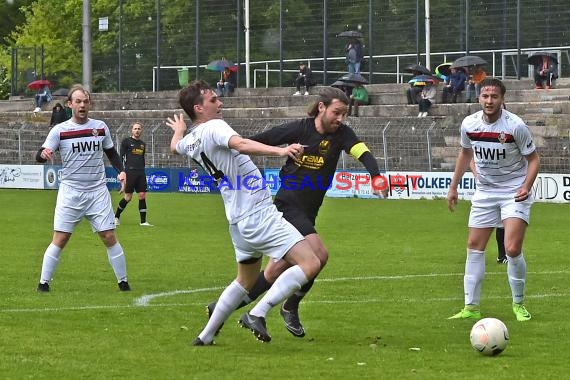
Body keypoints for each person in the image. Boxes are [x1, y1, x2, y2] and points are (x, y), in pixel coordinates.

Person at [207, 87, 388, 338]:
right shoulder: (300, 129)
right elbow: (264, 138)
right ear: (322, 107)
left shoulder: (342, 134)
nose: (340, 119)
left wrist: (376, 176)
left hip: (309, 211)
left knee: (273, 272)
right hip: (288, 204)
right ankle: (286, 307)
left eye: (344, 114)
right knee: (318, 255)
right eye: (336, 112)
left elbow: (362, 151)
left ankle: (220, 310)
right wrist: (227, 151)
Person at [166, 80, 321, 345]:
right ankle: (257, 312)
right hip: (258, 213)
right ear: (199, 108)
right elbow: (240, 144)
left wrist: (179, 130)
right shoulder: (214, 126)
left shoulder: (191, 140)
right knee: (311, 263)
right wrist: (280, 150)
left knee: (243, 282)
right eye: (213, 100)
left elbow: (174, 147)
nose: (220, 102)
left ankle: (205, 335)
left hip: (237, 221)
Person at [447, 78, 540, 322]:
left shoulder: (515, 126)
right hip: (485, 191)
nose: (489, 101)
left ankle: (518, 304)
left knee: (511, 248)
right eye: (485, 96)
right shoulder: (469, 124)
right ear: (479, 97)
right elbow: (466, 153)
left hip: (513, 190)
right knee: (474, 247)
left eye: (494, 97)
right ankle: (471, 307)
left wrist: (526, 186)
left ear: (502, 99)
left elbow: (533, 160)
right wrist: (453, 187)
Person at [35, 84, 131, 292]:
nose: (82, 105)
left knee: (108, 236)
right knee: (60, 238)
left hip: (97, 191)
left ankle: (123, 282)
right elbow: (41, 154)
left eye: (85, 101)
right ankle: (43, 284)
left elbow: (112, 153)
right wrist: (43, 155)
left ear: (89, 104)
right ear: (70, 105)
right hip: (71, 191)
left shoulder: (100, 127)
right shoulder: (60, 131)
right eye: (78, 101)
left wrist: (121, 171)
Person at [114, 122, 152, 227]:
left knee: (142, 195)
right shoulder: (126, 142)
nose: (137, 130)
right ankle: (116, 216)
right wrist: (121, 172)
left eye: (139, 128)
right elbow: (120, 157)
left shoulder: (142, 144)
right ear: (132, 130)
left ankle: (143, 221)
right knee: (128, 197)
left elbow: (142, 158)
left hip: (140, 172)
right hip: (129, 172)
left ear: (141, 130)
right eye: (135, 128)